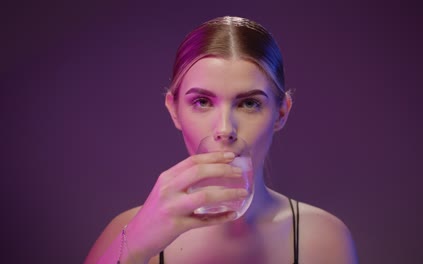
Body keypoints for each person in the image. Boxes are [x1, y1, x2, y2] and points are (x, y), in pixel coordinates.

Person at [85, 16, 358, 264]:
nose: (225, 128)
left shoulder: (323, 238)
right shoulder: (126, 232)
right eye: (202, 102)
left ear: (281, 113)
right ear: (174, 109)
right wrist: (135, 246)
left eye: (249, 103)